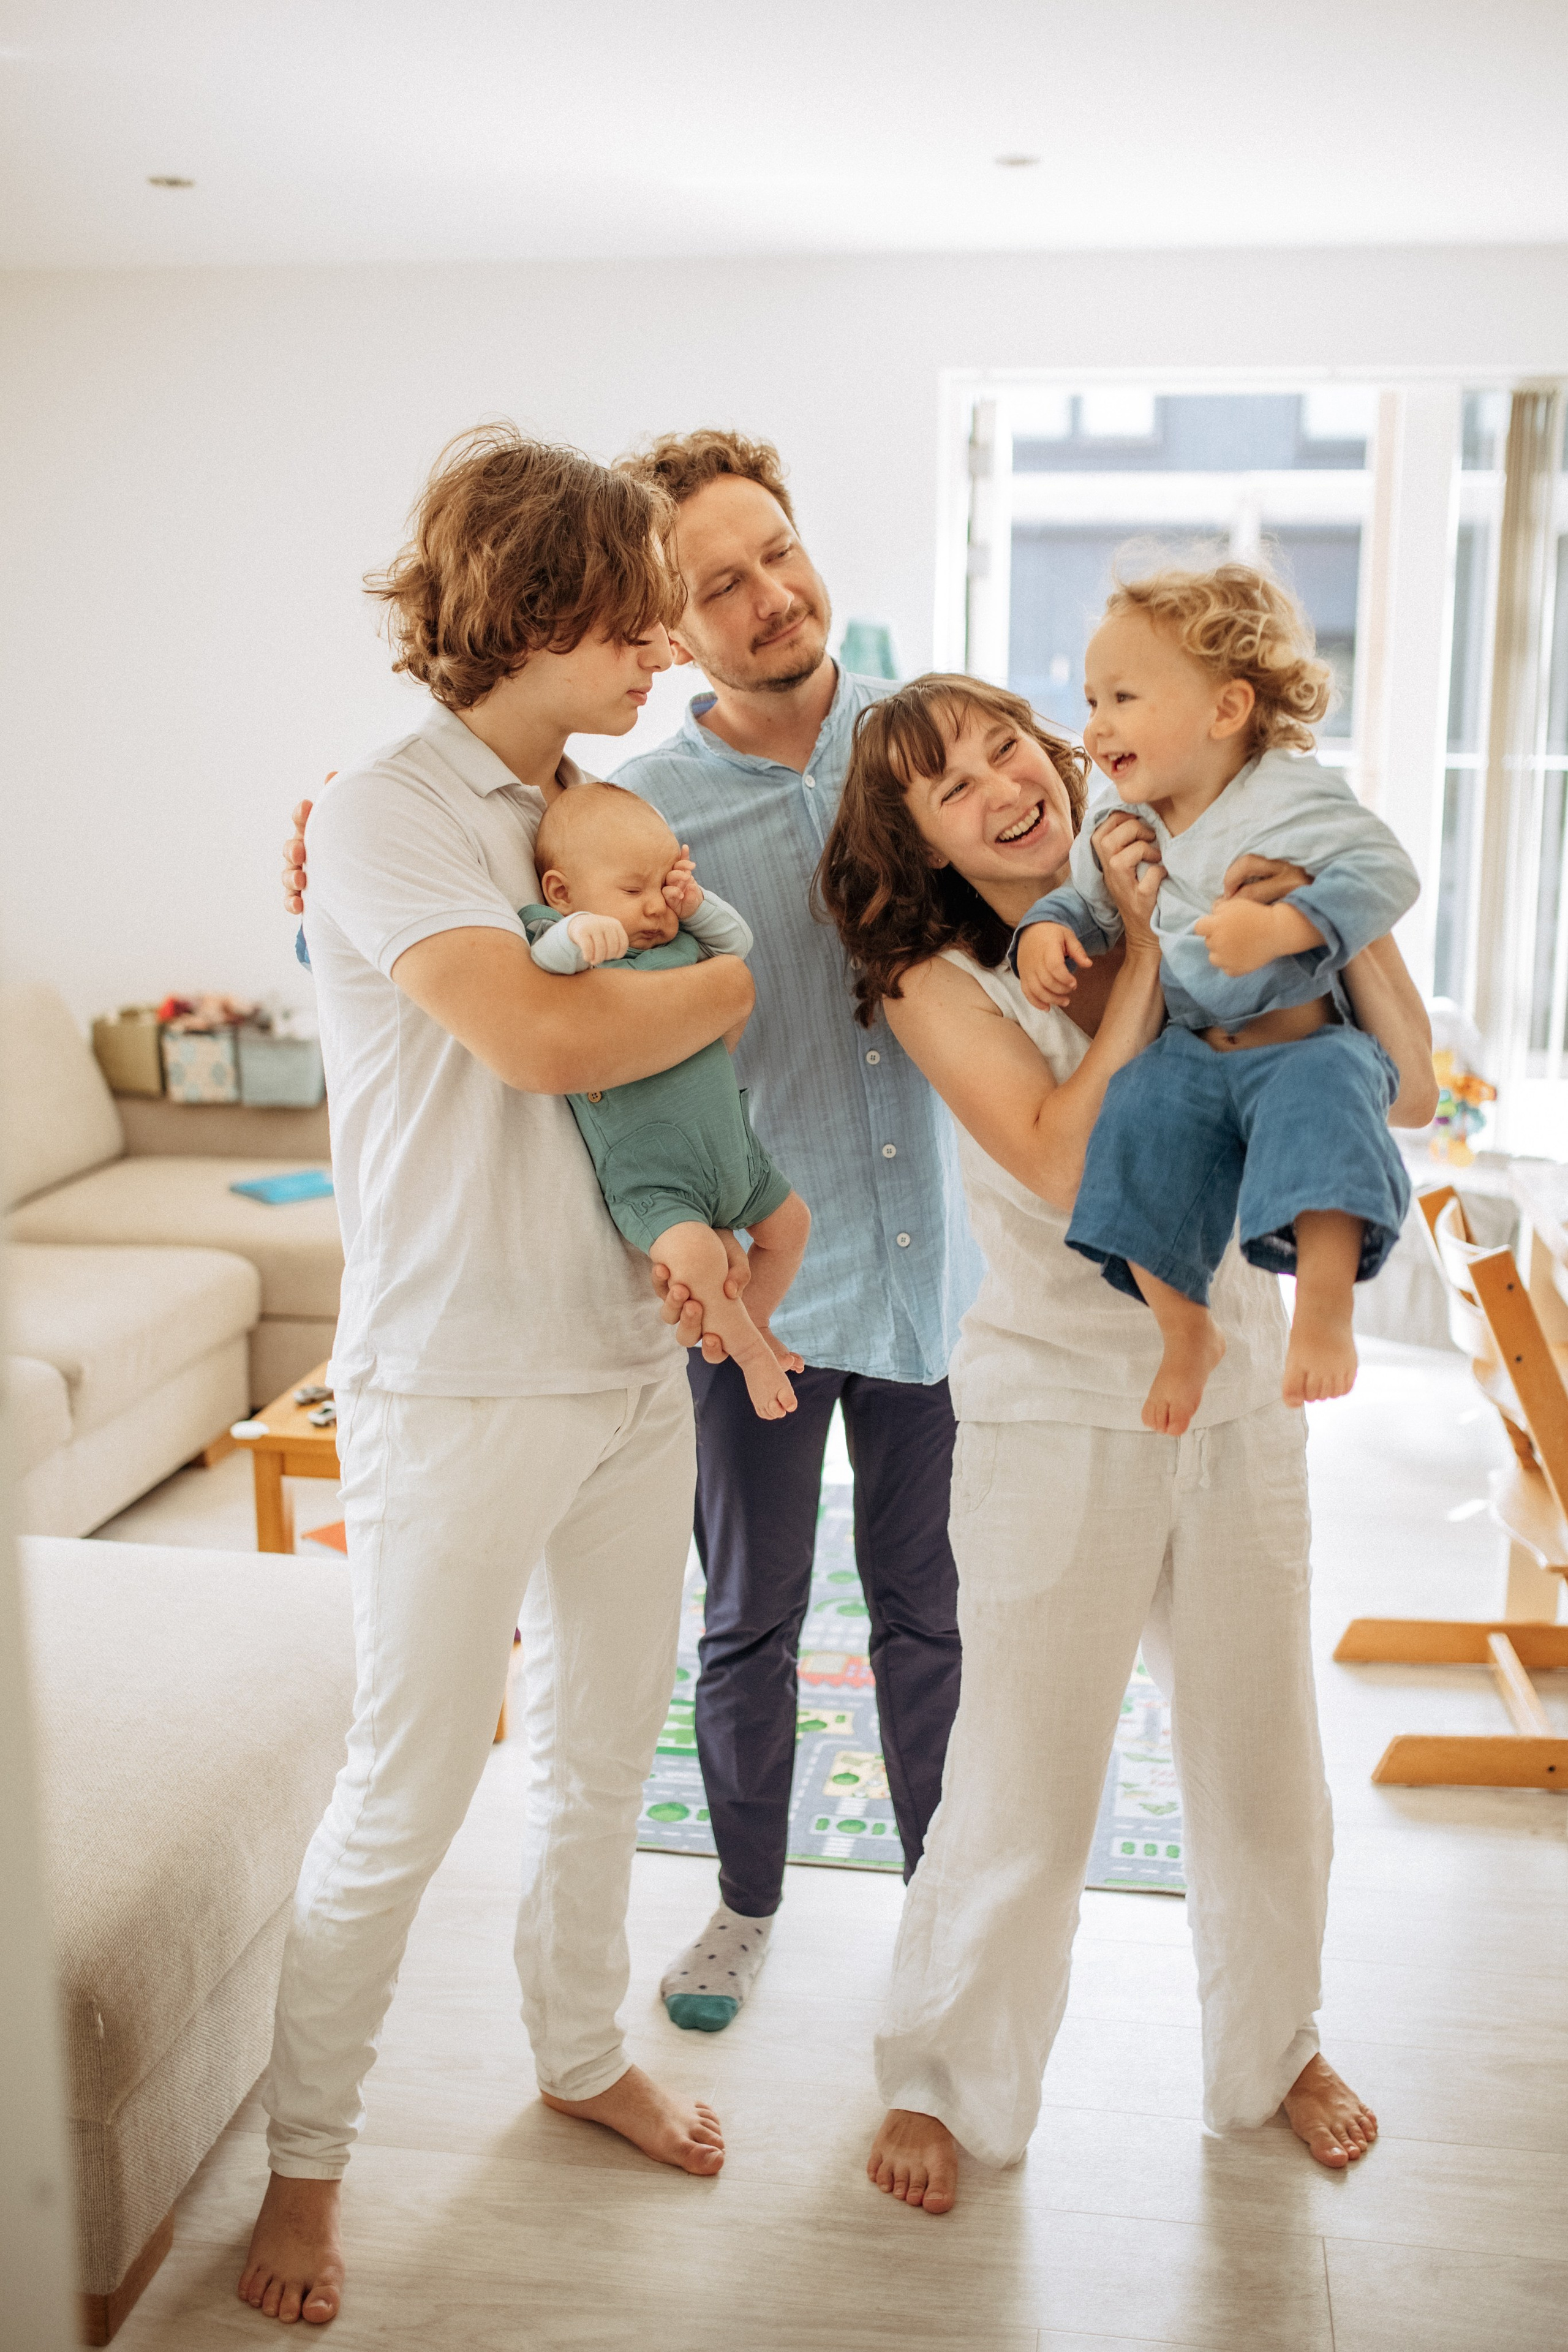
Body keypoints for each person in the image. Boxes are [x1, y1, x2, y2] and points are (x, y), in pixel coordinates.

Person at [282, 427, 975, 2035]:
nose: (724, 615)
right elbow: (520, 1013)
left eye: (767, 559)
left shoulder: (901, 749)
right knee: (685, 1654)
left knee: (853, 1651)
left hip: (805, 1298)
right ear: (570, 613)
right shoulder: (557, 811)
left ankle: (877, 1945)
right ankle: (733, 1912)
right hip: (612, 1309)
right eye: (683, 595)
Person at [239, 427, 752, 2330]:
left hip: (628, 1358)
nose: (663, 656)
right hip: (454, 1380)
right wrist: (723, 984)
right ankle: (306, 2167)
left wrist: (687, 990)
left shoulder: (582, 808)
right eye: (637, 618)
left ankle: (575, 2047)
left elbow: (626, 1019)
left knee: (605, 1758)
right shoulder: (385, 809)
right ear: (544, 605)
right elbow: (543, 1030)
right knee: (406, 1788)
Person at [818, 670, 1436, 2216]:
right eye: (949, 788)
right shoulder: (933, 972)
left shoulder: (1183, 850)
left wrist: (1320, 923)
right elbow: (1054, 1146)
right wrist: (1165, 952)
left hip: (1236, 1393)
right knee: (1023, 1776)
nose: (998, 789)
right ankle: (943, 2078)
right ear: (919, 840)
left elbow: (1398, 1077)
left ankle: (1269, 2048)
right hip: (1052, 1406)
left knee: (1258, 1764)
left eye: (1004, 750)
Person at [1014, 565, 1417, 1429]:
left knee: (1331, 1102)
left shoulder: (1288, 793)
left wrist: (1285, 928)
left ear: (1226, 712)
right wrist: (1045, 933)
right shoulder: (1120, 822)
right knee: (1134, 1119)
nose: (1095, 725)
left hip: (1302, 1046)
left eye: (1122, 697)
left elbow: (1387, 872)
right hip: (1197, 1053)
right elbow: (1078, 900)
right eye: (1090, 701)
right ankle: (1184, 1327)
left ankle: (1325, 1306)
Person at [522, 781, 811, 1418]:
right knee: (698, 1260)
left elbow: (738, 946)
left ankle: (754, 1319)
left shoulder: (679, 943)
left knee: (790, 1227)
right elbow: (544, 961)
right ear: (562, 891)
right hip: (655, 1182)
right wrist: (578, 933)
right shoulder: (564, 937)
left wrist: (695, 900)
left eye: (665, 885)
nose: (656, 908)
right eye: (634, 891)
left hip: (734, 1152)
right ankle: (749, 1356)